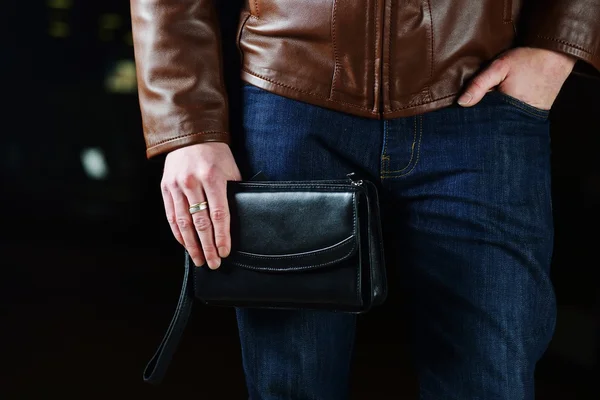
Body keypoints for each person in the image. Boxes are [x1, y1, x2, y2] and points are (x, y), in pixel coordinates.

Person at [129, 1, 599, 398]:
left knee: (489, 382)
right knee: (291, 386)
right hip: (288, 94)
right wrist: (187, 123)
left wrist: (558, 45)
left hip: (482, 99)